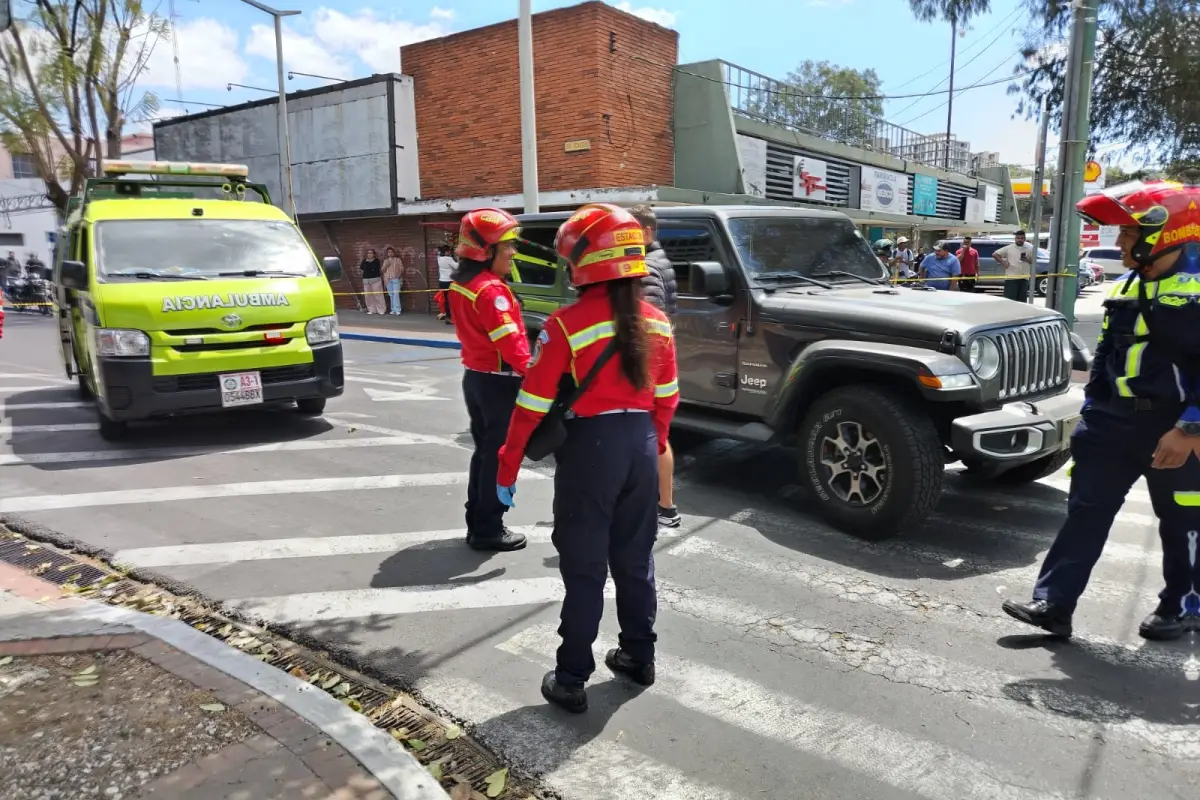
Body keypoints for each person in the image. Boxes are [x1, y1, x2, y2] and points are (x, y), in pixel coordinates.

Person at [496, 203, 680, 712]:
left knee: (584, 569)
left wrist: (507, 466)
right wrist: (652, 441)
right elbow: (667, 399)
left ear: (582, 262)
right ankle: (639, 657)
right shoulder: (658, 323)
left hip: (590, 453)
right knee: (635, 561)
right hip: (640, 446)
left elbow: (531, 405)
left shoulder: (564, 325)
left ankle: (572, 676)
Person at [1003, 180, 1200, 640]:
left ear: (1165, 233)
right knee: (1085, 513)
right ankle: (1054, 604)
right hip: (1111, 425)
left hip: (1172, 427)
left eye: (1129, 234)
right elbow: (1107, 354)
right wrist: (1090, 416)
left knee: (1185, 520)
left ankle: (1183, 607)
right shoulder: (1129, 283)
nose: (1120, 242)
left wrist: (1189, 429)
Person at [449, 208, 532, 552]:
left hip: (476, 380)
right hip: (499, 384)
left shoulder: (462, 285)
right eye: (507, 246)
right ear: (486, 251)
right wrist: (538, 374)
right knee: (497, 455)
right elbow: (511, 345)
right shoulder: (490, 292)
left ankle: (477, 521)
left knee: (484, 453)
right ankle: (488, 527)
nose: (513, 252)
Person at [629, 203, 681, 528]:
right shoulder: (658, 259)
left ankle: (661, 508)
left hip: (649, 364)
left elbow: (647, 319)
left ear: (646, 232)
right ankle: (665, 507)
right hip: (660, 360)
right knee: (657, 434)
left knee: (650, 436)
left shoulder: (646, 265)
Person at [995, 230, 1035, 302]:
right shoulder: (1009, 248)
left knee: (1022, 301)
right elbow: (995, 254)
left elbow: (1033, 261)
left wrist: (1027, 260)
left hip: (1024, 278)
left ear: (1025, 239)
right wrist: (1003, 262)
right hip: (1011, 278)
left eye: (1022, 238)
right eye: (1018, 238)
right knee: (1010, 300)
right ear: (1015, 239)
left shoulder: (1029, 248)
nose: (1020, 240)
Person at [359, 249, 385, 315]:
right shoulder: (364, 261)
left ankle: (381, 309)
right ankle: (371, 309)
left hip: (375, 279)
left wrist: (368, 264)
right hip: (366, 280)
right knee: (368, 296)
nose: (369, 254)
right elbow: (361, 267)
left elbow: (374, 268)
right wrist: (366, 263)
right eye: (368, 253)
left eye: (371, 253)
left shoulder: (376, 261)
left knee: (378, 295)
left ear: (374, 254)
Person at [437, 245, 457, 323]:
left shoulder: (439, 258)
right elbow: (457, 267)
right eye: (449, 251)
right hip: (449, 282)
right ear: (447, 251)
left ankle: (448, 316)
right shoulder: (449, 259)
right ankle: (450, 318)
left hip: (442, 282)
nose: (450, 252)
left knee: (446, 300)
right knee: (451, 300)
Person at [381, 247, 404, 316]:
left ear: (393, 253)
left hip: (395, 279)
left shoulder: (398, 260)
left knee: (396, 294)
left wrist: (398, 275)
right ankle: (393, 309)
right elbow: (382, 270)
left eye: (391, 252)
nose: (390, 253)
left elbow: (402, 268)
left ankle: (398, 309)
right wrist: (386, 265)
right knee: (391, 295)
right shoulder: (386, 261)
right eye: (388, 252)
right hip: (388, 279)